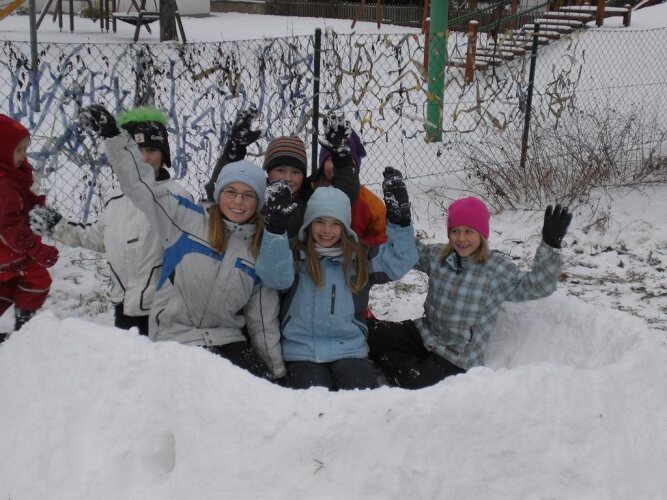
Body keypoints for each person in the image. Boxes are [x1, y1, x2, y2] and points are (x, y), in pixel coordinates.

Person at [78, 104, 285, 381]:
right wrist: (115, 138)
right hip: (178, 337)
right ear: (218, 194)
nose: (238, 201)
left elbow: (262, 318)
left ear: (258, 202)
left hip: (226, 338)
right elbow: (141, 186)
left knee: (258, 390)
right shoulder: (184, 220)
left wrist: (276, 375)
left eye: (248, 195)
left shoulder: (257, 247)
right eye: (231, 192)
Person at [367, 197, 572, 389]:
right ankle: (388, 355)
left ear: (482, 234)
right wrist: (399, 223)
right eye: (455, 231)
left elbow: (538, 286)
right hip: (426, 333)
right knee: (368, 332)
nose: (461, 238)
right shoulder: (438, 256)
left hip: (457, 356)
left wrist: (550, 245)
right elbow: (410, 252)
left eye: (469, 231)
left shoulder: (496, 270)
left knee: (414, 382)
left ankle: (387, 357)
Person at [255, 167, 418, 391]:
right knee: (315, 401)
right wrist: (275, 229)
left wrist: (400, 223)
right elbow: (274, 277)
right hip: (302, 350)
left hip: (349, 348)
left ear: (345, 227)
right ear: (308, 223)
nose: (327, 230)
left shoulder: (359, 258)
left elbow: (400, 260)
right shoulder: (294, 254)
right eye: (319, 221)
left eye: (336, 223)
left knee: (360, 398)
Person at [39, 107, 193, 336]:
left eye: (152, 150)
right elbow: (99, 238)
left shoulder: (177, 198)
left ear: (164, 154)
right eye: (137, 150)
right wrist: (58, 227)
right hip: (123, 306)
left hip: (163, 310)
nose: (144, 158)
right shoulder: (116, 199)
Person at [205, 108, 360, 241]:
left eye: (296, 172)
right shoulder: (256, 196)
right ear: (268, 172)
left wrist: (343, 161)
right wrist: (232, 153)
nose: (288, 178)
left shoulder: (309, 200)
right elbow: (219, 191)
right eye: (280, 170)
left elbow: (343, 197)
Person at [0, 114, 59, 341]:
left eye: (25, 149)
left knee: (9, 284)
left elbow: (23, 198)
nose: (24, 155)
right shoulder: (3, 184)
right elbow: (11, 229)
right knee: (36, 279)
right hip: (10, 251)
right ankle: (24, 331)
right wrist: (38, 250)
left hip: (7, 252)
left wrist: (38, 207)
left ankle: (21, 330)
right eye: (19, 150)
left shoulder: (12, 171)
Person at [316, 129, 387, 247]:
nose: (337, 166)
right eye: (331, 160)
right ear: (322, 164)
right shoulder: (310, 192)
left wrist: (361, 247)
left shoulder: (369, 203)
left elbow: (383, 236)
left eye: (347, 161)